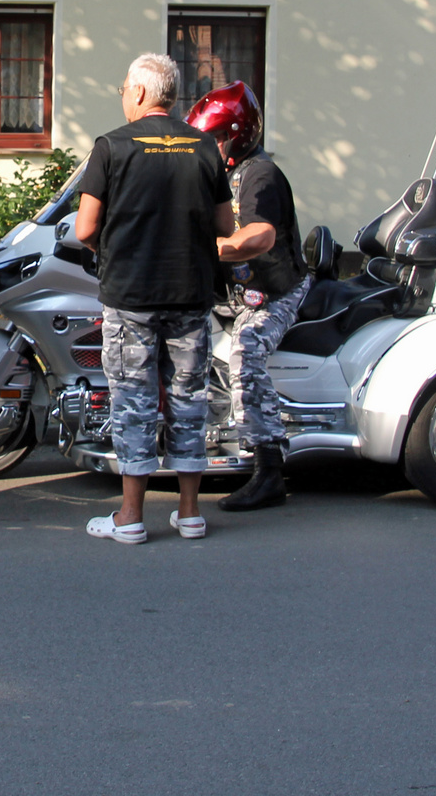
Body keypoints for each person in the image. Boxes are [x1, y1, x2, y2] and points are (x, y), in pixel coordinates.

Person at [75, 53, 233, 544]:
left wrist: (117, 247)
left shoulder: (111, 147)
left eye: (124, 87)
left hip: (131, 296)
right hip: (190, 292)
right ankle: (189, 514)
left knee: (134, 402)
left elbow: (84, 228)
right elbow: (226, 226)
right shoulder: (205, 146)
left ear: (141, 93)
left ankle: (131, 516)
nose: (122, 94)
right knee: (189, 400)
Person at [186, 81, 311, 512]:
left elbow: (261, 234)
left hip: (275, 291)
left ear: (234, 135)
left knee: (247, 348)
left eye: (212, 138)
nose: (206, 146)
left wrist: (212, 247)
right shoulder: (218, 175)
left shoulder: (259, 176)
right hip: (236, 291)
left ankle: (269, 468)